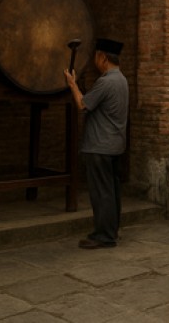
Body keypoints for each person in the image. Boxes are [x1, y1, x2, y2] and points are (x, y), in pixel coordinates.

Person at [64, 37, 129, 249]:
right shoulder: (122, 80)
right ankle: (112, 230)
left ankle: (104, 236)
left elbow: (83, 104)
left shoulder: (106, 81)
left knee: (101, 192)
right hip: (114, 146)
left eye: (95, 57)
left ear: (102, 57)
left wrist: (72, 83)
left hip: (99, 146)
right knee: (111, 191)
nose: (94, 61)